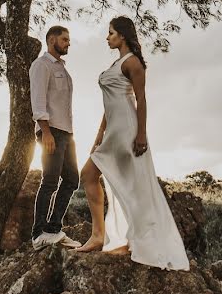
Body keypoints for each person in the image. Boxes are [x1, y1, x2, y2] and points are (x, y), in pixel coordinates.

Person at [73, 16, 190, 271]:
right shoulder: (117, 63)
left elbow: (141, 100)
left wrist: (141, 135)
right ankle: (101, 236)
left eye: (111, 33)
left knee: (133, 186)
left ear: (122, 35)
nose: (107, 37)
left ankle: (130, 239)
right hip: (112, 131)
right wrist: (98, 137)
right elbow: (109, 106)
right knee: (90, 175)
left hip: (127, 131)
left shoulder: (133, 63)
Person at [30, 25, 82, 250]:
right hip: (51, 131)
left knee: (72, 179)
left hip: (66, 133)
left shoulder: (62, 68)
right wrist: (47, 132)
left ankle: (53, 229)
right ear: (52, 40)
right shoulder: (42, 66)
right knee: (50, 181)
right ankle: (38, 234)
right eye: (64, 39)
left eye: (68, 40)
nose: (68, 43)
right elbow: (39, 101)